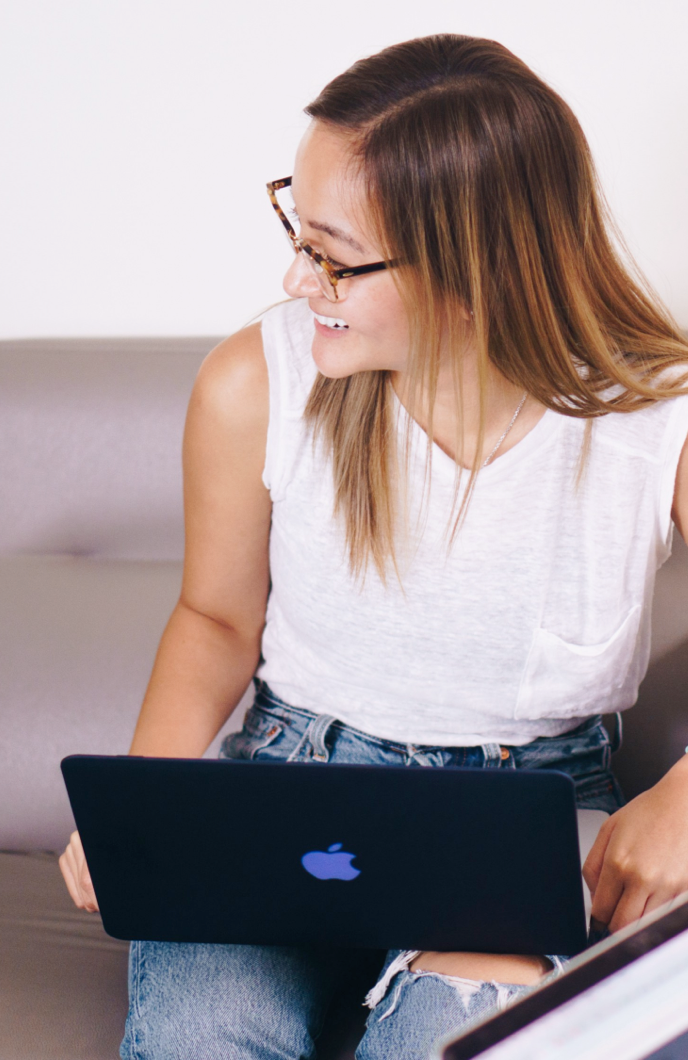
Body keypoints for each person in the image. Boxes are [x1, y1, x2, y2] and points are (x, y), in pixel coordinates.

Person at [59, 33, 688, 1060]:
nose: (297, 279)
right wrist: (146, 805)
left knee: (454, 1041)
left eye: (334, 256)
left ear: (471, 270)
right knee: (201, 1034)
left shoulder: (653, 418)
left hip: (516, 819)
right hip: (283, 783)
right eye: (295, 230)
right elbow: (216, 618)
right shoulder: (253, 380)